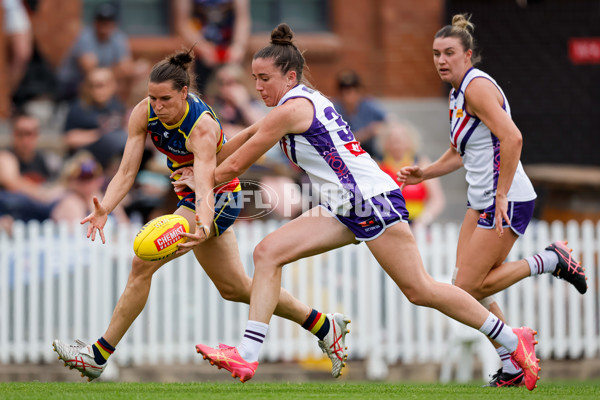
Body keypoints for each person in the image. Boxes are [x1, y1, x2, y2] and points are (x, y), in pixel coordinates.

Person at [192, 23, 541, 390]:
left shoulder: (291, 108)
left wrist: (198, 179)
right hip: (345, 204)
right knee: (267, 253)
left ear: (290, 76)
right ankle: (247, 355)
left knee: (420, 289)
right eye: (254, 78)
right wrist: (199, 160)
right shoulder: (293, 104)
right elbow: (244, 137)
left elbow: (234, 166)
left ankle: (510, 339)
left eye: (265, 78)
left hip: (369, 200)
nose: (258, 86)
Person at [51, 48, 349, 382]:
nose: (158, 106)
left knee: (141, 263)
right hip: (192, 195)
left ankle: (98, 355)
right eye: (152, 98)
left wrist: (204, 224)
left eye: (165, 99)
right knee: (235, 287)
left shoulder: (201, 126)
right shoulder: (144, 112)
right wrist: (105, 207)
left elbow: (206, 184)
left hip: (218, 198)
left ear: (184, 93)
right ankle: (324, 325)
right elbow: (125, 172)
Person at [397, 14, 587, 388]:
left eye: (449, 53)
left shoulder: (475, 88)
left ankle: (550, 260)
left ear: (468, 55)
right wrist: (426, 173)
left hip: (507, 199)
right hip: (480, 201)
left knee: (465, 289)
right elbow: (459, 150)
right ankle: (512, 359)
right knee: (462, 287)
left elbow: (512, 138)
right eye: (436, 53)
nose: (441, 60)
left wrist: (500, 194)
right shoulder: (457, 93)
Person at [55, 2, 137, 103]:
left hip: (100, 83)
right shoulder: (86, 37)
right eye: (101, 21)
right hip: (72, 84)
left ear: (114, 24)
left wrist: (109, 74)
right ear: (95, 22)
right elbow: (90, 70)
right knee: (98, 84)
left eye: (108, 22)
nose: (104, 25)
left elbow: (126, 68)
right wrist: (115, 71)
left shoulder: (118, 37)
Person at [378, 120, 445, 229]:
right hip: (388, 225)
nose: (397, 143)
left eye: (401, 138)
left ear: (410, 141)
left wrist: (424, 219)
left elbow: (437, 200)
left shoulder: (422, 163)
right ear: (385, 142)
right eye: (392, 139)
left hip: (418, 225)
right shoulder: (378, 165)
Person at [173, 0, 251, 93]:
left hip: (230, 47)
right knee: (203, 93)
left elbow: (242, 18)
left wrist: (238, 46)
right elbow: (182, 23)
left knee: (234, 87)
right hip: (200, 52)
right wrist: (203, 48)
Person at [0, 112, 62, 221]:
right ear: (13, 134)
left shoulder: (44, 160)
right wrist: (42, 193)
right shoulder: (6, 156)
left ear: (36, 135)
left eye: (29, 133)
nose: (25, 139)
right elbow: (12, 182)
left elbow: (59, 184)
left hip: (39, 216)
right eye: (20, 133)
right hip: (13, 214)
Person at [63, 67, 128, 168]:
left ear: (113, 86)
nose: (96, 90)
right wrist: (100, 135)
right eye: (92, 85)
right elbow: (69, 139)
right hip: (86, 159)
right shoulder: (80, 108)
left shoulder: (117, 105)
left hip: (113, 156)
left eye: (101, 85)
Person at [333, 69, 388, 161]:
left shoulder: (368, 104)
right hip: (344, 155)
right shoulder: (334, 108)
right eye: (344, 90)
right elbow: (338, 139)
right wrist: (367, 132)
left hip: (371, 152)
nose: (349, 94)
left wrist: (380, 128)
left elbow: (390, 120)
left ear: (359, 91)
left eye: (353, 90)